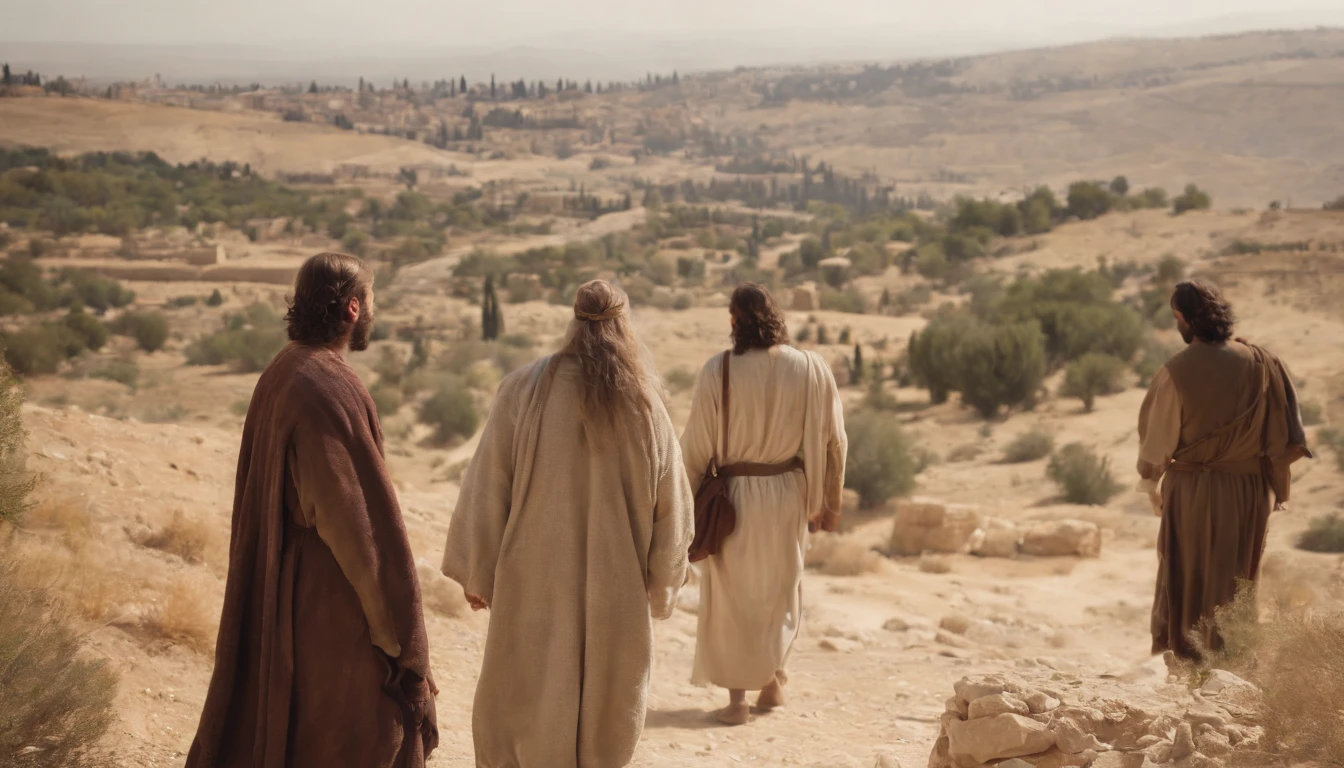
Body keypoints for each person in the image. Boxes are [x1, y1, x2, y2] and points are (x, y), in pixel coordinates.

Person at [187, 253, 438, 768]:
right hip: (326, 604)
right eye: (371, 300)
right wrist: (396, 642)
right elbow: (353, 529)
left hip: (286, 594)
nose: (374, 309)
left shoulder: (285, 369)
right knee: (364, 733)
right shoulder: (326, 386)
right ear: (351, 307)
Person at [441, 279, 694, 768]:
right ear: (624, 325)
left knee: (527, 702)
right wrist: (663, 581)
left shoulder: (523, 389)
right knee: (606, 713)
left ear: (573, 323)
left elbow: (489, 484)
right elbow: (674, 507)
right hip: (615, 587)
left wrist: (480, 570)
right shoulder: (645, 407)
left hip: (531, 578)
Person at [681, 282, 847, 726]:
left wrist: (677, 505)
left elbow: (695, 447)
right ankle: (773, 685)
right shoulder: (812, 368)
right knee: (781, 588)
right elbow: (834, 443)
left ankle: (738, 701)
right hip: (789, 495)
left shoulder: (719, 371)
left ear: (735, 321)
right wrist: (827, 504)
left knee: (733, 596)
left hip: (733, 499)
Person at [1138, 279, 1311, 661]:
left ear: (1184, 319)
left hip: (1192, 490)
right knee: (1238, 578)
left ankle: (1190, 660)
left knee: (1189, 573)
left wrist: (1150, 481)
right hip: (1250, 491)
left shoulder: (1176, 370)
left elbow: (1157, 442)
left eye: (1176, 318)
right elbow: (1284, 436)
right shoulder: (1264, 362)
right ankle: (1234, 661)